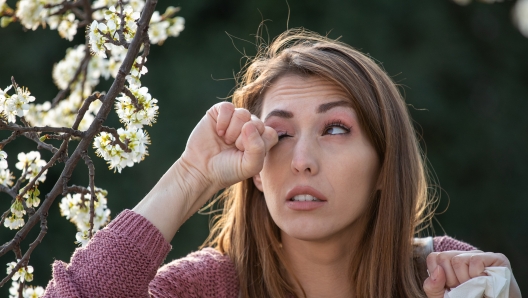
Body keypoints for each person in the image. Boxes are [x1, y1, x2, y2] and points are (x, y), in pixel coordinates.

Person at [42, 29, 521, 298]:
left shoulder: (444, 274)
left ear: (384, 165)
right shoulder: (207, 289)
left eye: (335, 129)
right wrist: (190, 175)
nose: (302, 161)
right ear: (253, 171)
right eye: (281, 135)